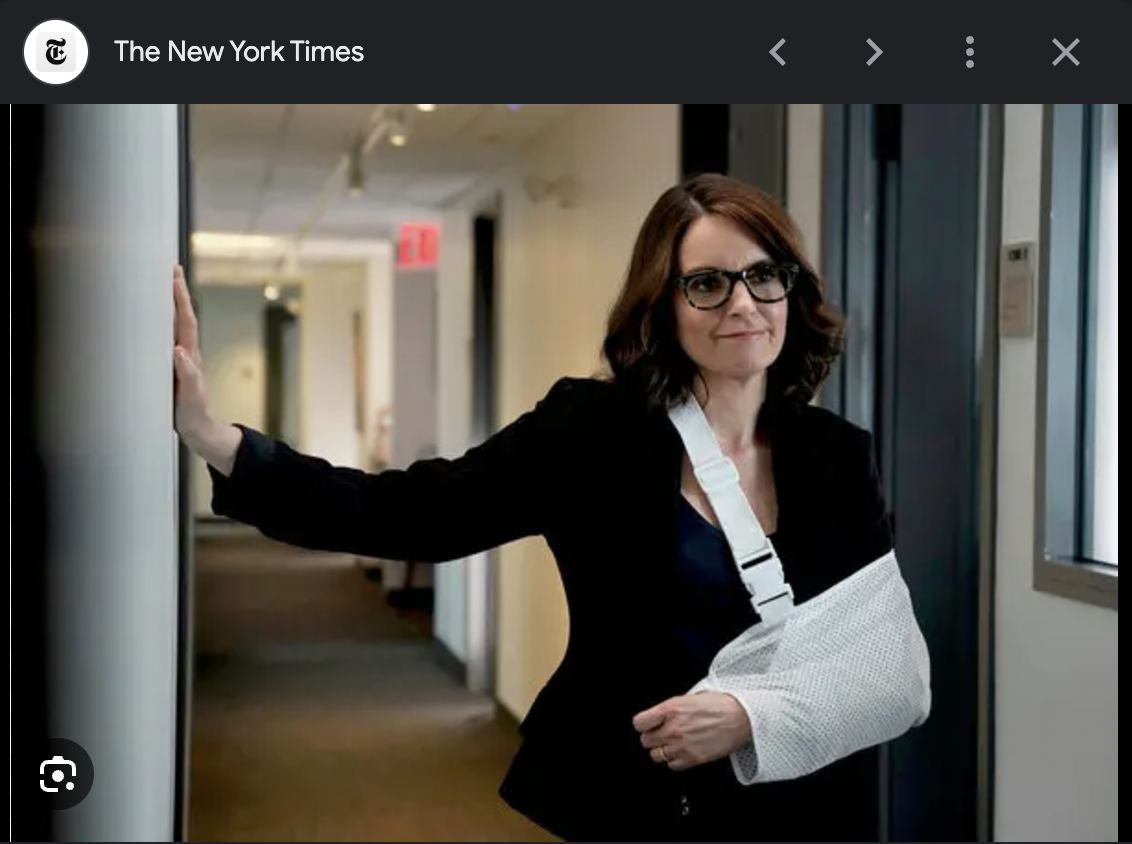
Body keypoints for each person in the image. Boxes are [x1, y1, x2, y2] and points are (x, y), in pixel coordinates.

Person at [174, 173, 919, 842]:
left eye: (764, 277)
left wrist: (749, 718)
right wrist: (218, 440)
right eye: (708, 284)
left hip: (798, 803)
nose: (743, 305)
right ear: (663, 304)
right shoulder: (591, 433)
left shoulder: (835, 455)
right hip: (633, 802)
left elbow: (882, 670)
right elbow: (402, 512)